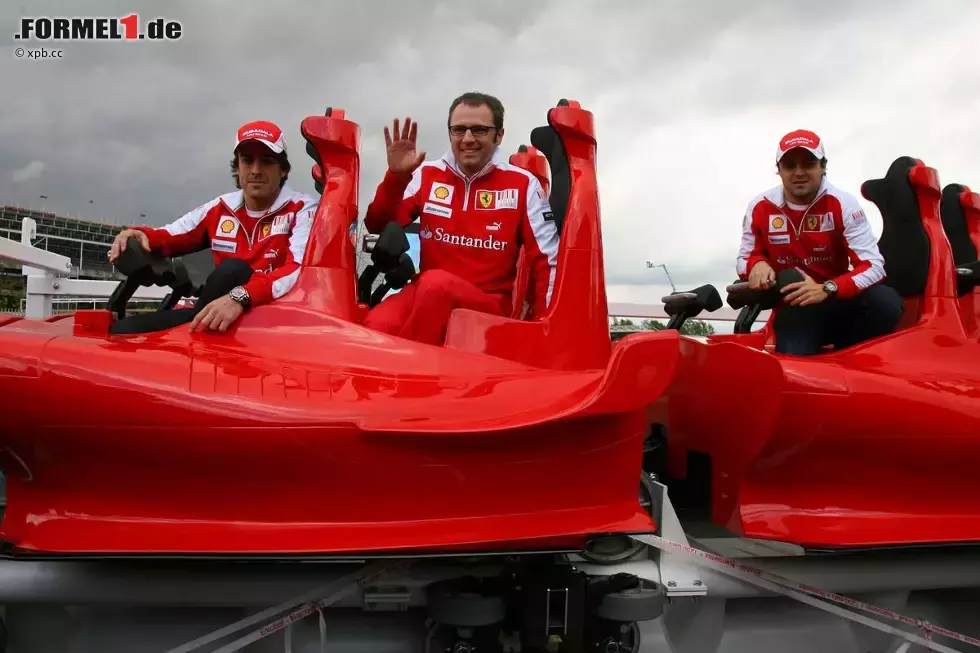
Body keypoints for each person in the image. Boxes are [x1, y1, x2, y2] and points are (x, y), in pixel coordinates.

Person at [360, 92, 560, 346]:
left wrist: (545, 328)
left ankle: (412, 377)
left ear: (499, 135)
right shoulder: (426, 174)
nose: (467, 139)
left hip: (486, 306)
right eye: (459, 130)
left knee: (436, 285)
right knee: (372, 331)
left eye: (479, 130)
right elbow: (377, 224)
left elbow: (547, 260)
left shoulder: (524, 184)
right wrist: (395, 178)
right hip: (424, 292)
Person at [107, 120, 319, 334]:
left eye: (266, 161)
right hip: (218, 316)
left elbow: (298, 268)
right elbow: (172, 234)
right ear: (237, 167)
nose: (255, 170)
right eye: (247, 160)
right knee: (121, 331)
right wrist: (137, 233)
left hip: (275, 325)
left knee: (232, 269)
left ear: (284, 170)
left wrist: (241, 296)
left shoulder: (302, 207)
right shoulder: (220, 207)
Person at [735, 129, 904, 355]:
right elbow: (743, 260)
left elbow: (874, 266)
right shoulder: (760, 206)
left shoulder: (843, 204)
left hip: (839, 302)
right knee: (789, 287)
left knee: (886, 301)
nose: (799, 172)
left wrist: (828, 288)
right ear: (779, 170)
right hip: (796, 308)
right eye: (790, 165)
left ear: (822, 167)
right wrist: (756, 263)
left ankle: (852, 359)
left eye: (808, 164)